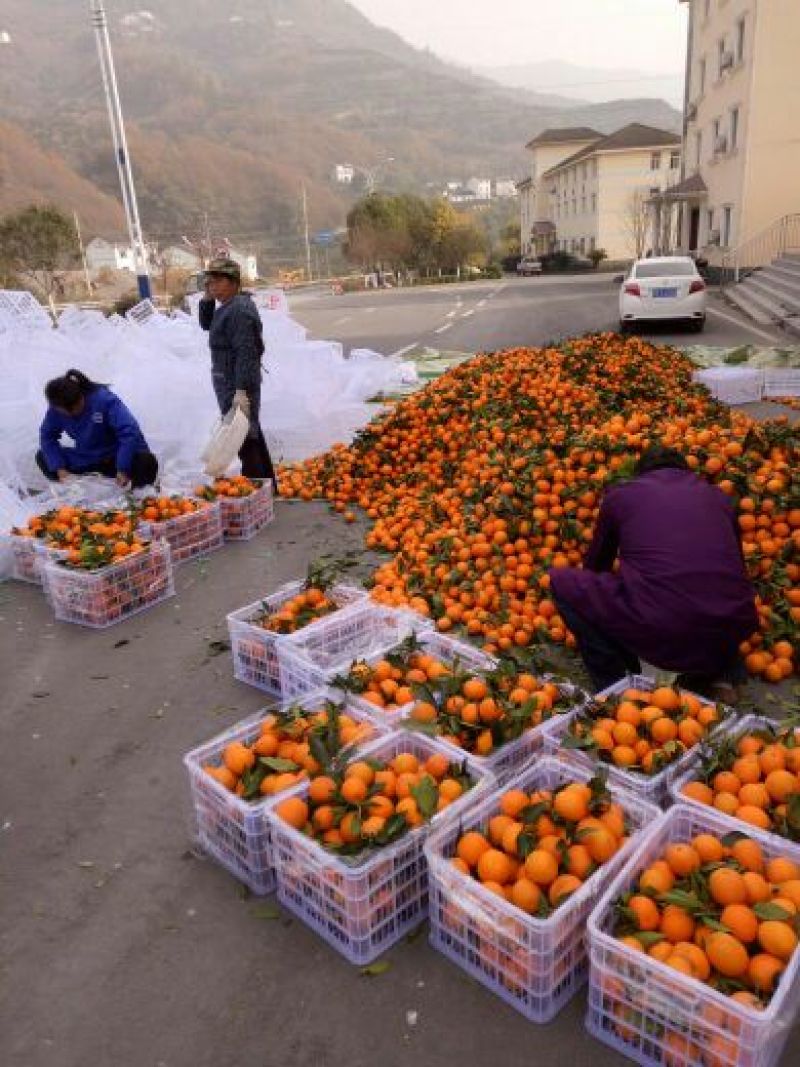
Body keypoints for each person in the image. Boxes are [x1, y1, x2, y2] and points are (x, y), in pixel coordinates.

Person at [549, 445, 758, 701]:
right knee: (715, 587)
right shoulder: (719, 498)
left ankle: (615, 687)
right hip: (735, 621)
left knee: (562, 582)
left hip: (663, 623)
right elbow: (735, 568)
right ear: (685, 471)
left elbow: (596, 565)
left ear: (641, 473)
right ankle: (723, 676)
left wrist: (626, 580)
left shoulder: (621, 495)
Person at [198, 258, 277, 487]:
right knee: (251, 434)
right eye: (210, 280)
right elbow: (206, 324)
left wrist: (242, 392)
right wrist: (207, 299)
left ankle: (256, 490)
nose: (212, 284)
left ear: (233, 282)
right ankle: (268, 487)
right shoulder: (227, 307)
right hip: (228, 383)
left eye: (218, 280)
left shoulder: (239, 311)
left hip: (237, 384)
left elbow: (246, 354)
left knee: (242, 439)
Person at [38, 370, 158, 489]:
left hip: (115, 457)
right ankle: (75, 491)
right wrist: (60, 468)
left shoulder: (104, 400)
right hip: (88, 458)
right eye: (66, 412)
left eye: (76, 407)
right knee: (44, 456)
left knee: (146, 461)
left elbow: (129, 431)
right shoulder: (56, 409)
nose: (73, 413)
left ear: (81, 396)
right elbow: (47, 436)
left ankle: (134, 496)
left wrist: (123, 468)